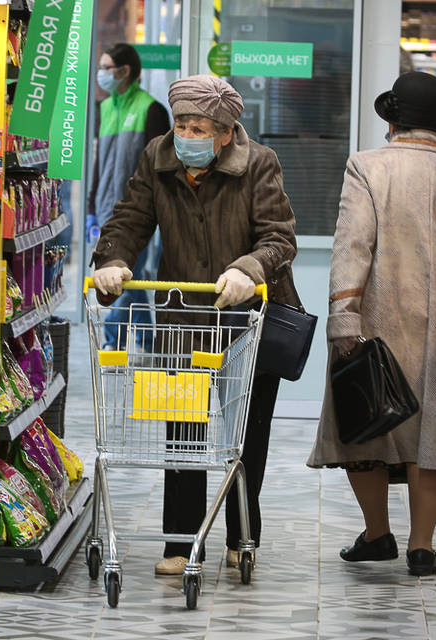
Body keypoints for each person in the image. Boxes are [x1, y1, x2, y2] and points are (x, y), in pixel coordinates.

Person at [91, 75, 298, 576]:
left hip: (249, 318)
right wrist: (113, 260)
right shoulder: (158, 159)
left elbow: (279, 236)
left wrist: (248, 270)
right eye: (181, 123)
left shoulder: (260, 164)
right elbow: (129, 218)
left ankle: (241, 535)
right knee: (181, 430)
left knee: (245, 434)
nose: (186, 134)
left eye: (198, 127)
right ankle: (182, 544)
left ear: (225, 132)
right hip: (184, 315)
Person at [307, 71, 436, 576]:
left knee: (367, 424)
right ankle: (422, 546)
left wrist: (344, 315)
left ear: (392, 121)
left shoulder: (368, 167)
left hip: (377, 320)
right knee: (434, 432)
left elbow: (353, 245)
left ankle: (377, 534)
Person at [89, 43, 171, 351]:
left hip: (139, 215)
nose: (101, 74)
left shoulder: (152, 111)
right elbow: (99, 161)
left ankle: (114, 341)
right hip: (106, 208)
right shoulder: (105, 108)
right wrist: (91, 207)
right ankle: (147, 340)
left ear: (125, 71)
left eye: (106, 68)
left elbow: (159, 171)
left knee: (126, 277)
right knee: (126, 278)